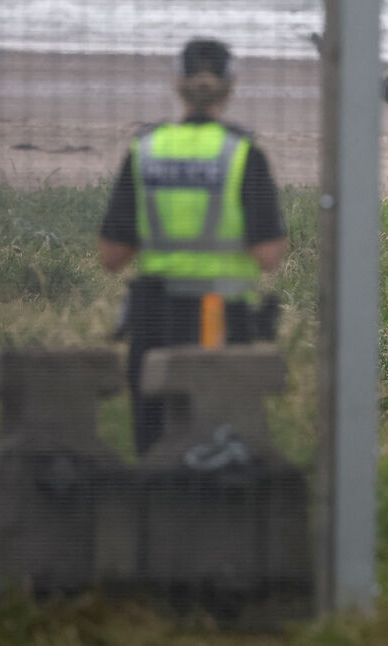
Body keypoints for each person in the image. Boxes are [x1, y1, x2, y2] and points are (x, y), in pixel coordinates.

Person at [98, 38, 288, 455]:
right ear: (230, 86)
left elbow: (112, 256)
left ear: (177, 84)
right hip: (219, 318)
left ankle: (152, 514)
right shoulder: (241, 154)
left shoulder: (145, 150)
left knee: (153, 442)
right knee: (220, 442)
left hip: (154, 319)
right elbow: (269, 254)